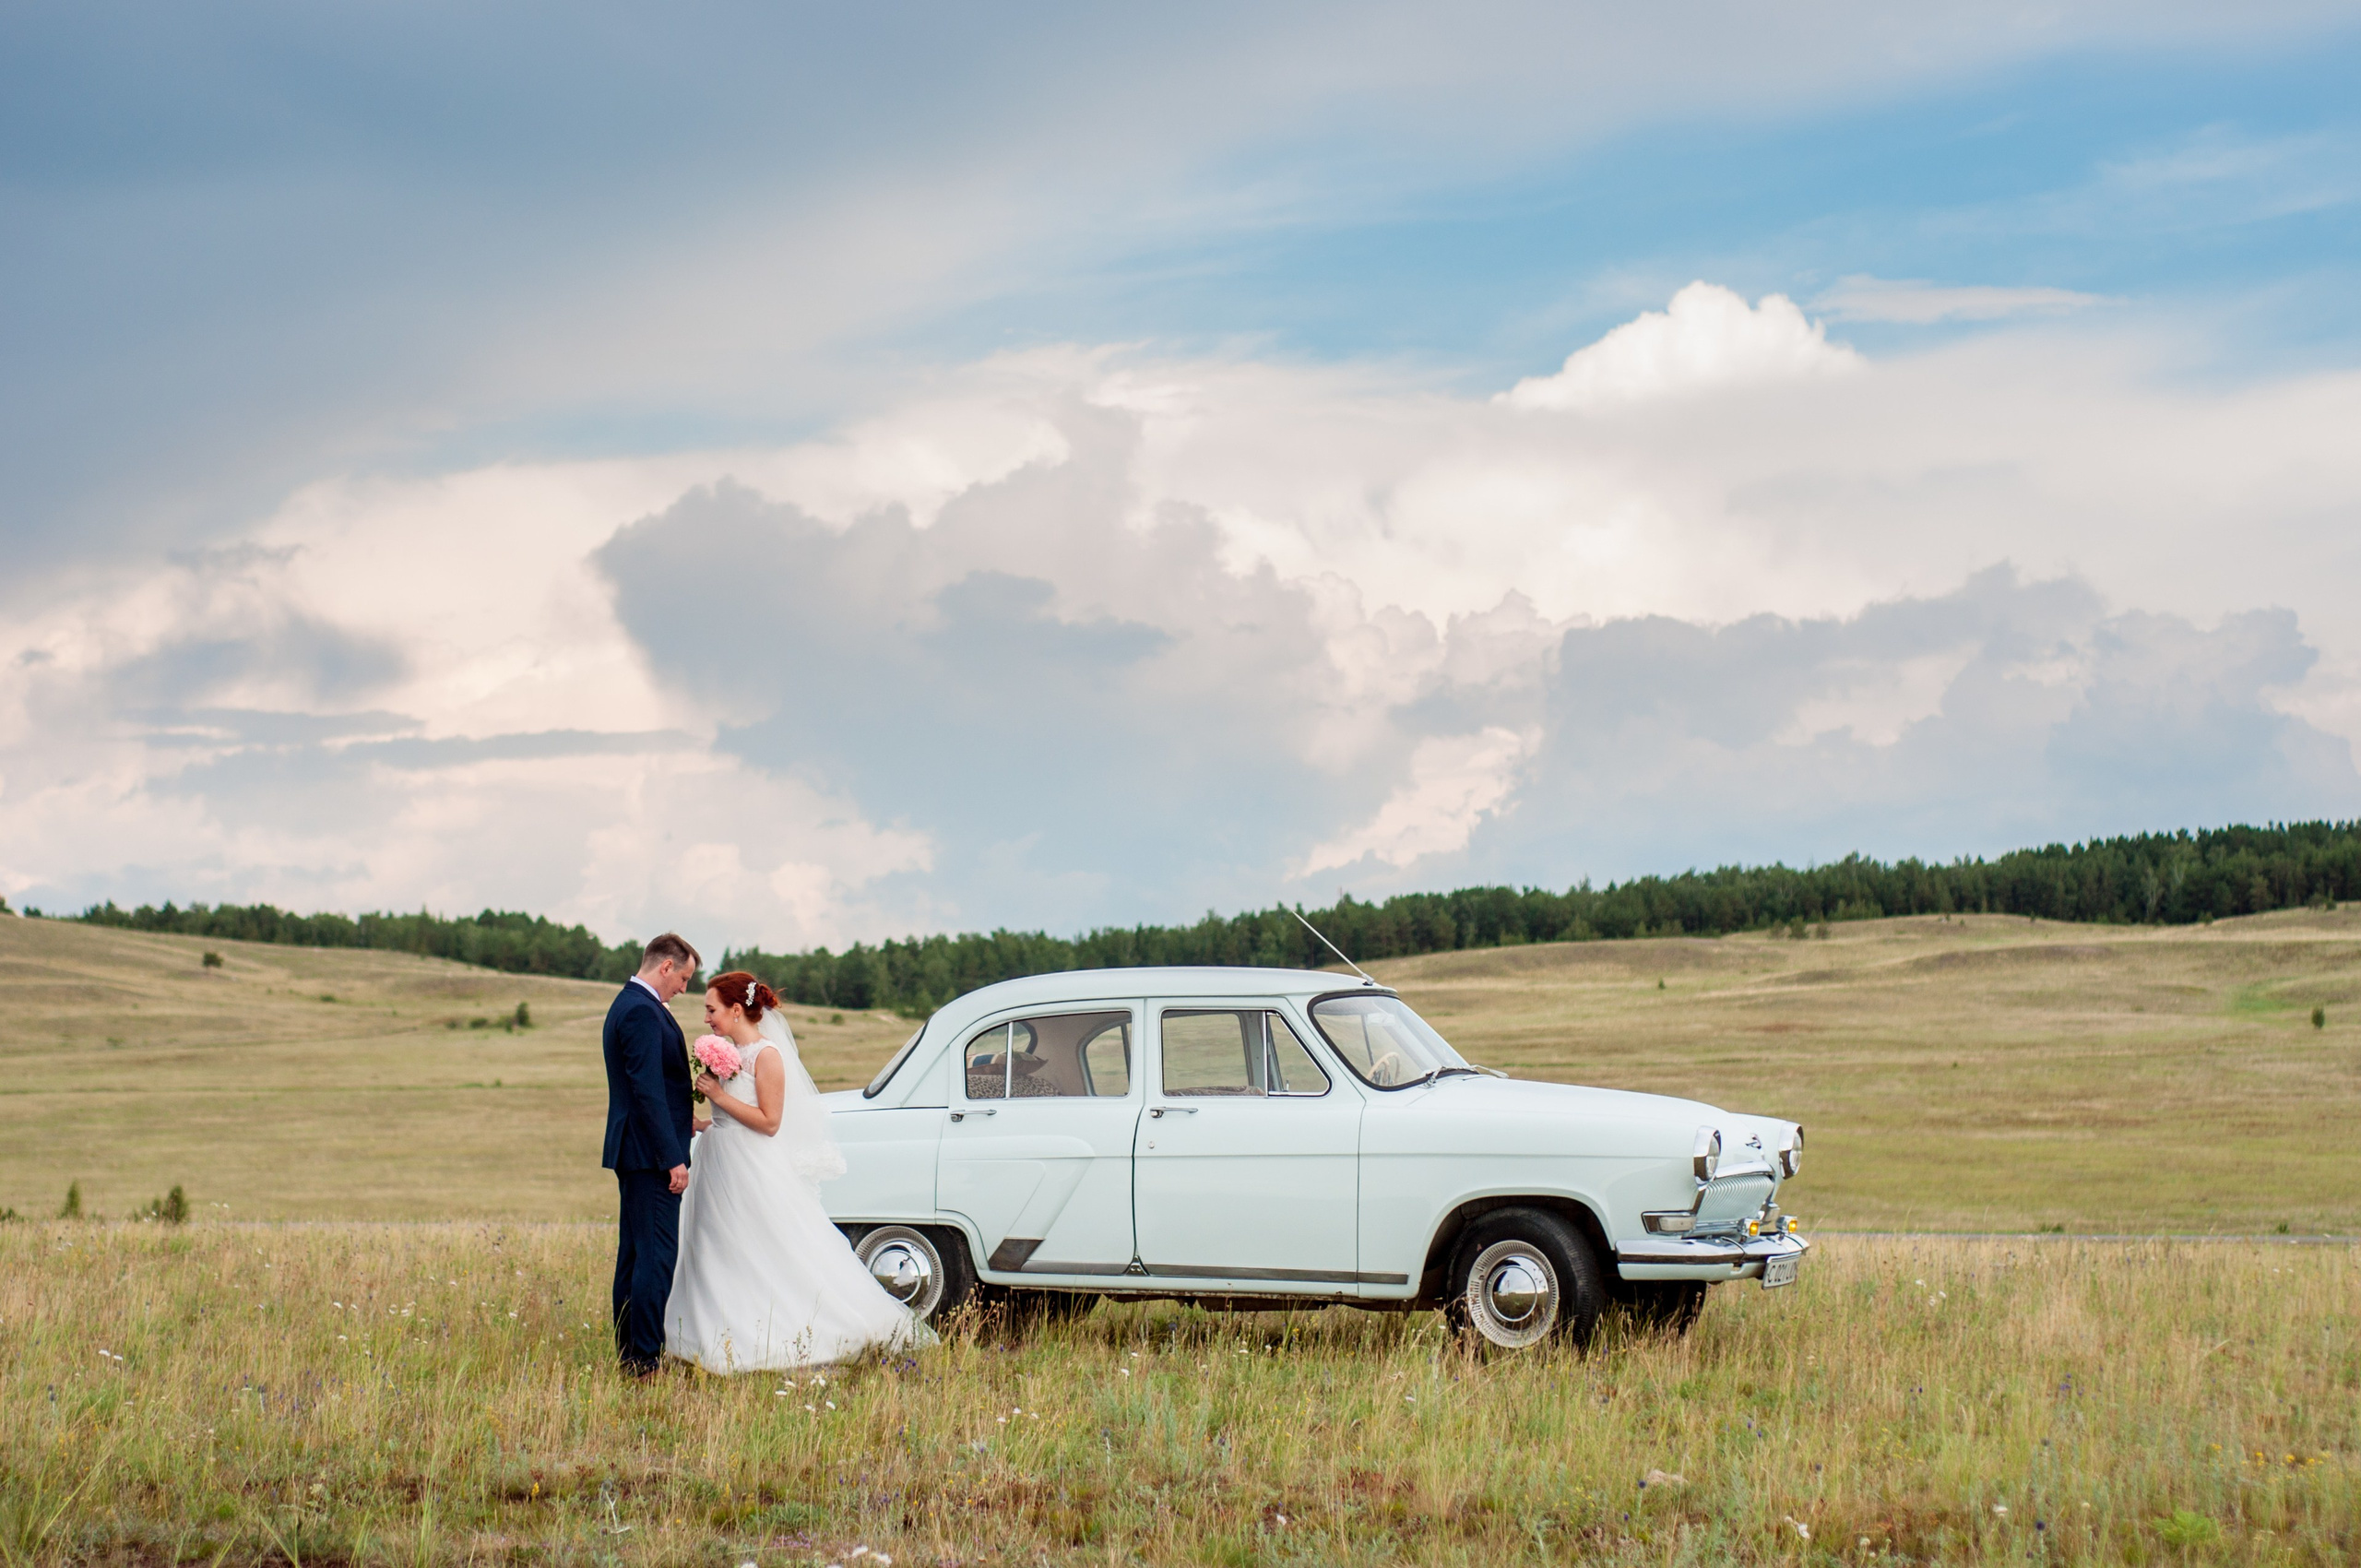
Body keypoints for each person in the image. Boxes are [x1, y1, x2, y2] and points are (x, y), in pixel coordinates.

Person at [665, 970, 933, 1371]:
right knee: (713, 1246)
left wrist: (718, 1095)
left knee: (763, 1248)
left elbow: (769, 1122)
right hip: (718, 1158)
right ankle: (708, 1331)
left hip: (750, 1166)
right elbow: (731, 1118)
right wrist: (706, 1122)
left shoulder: (767, 1056)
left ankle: (784, 1332)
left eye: (711, 1009)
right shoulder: (724, 1051)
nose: (706, 1018)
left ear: (736, 1009)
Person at [601, 932, 700, 1378]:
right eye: (683, 978)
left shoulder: (630, 1003)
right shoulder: (642, 1011)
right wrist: (672, 1157)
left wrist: (687, 1123)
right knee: (656, 1257)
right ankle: (643, 1360)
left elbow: (655, 1088)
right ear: (665, 967)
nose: (684, 989)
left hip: (638, 1149)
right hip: (649, 1155)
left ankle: (630, 1355)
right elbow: (646, 1090)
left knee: (636, 1255)